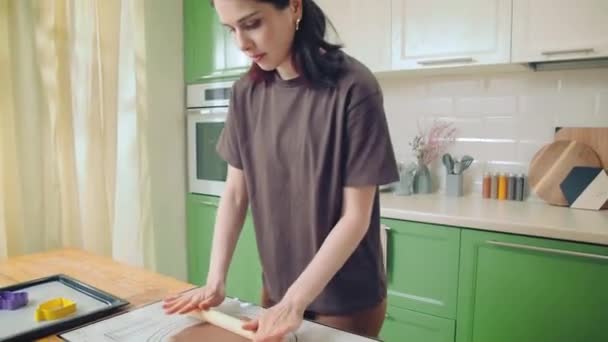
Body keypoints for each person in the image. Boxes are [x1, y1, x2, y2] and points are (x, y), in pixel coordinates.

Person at [163, 0, 399, 341]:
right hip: (277, 293)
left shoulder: (354, 87)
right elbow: (234, 193)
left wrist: (295, 301)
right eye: (231, 29)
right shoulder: (247, 93)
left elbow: (355, 217)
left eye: (253, 23)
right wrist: (215, 281)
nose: (241, 43)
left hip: (346, 302)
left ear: (294, 7)